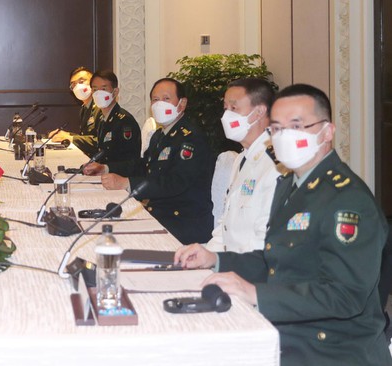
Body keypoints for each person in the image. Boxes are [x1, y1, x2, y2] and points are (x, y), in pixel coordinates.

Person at [175, 84, 391, 366]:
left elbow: (345, 295)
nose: (285, 135)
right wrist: (215, 259)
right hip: (286, 330)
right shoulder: (290, 185)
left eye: (297, 126)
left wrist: (255, 293)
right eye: (277, 128)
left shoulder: (347, 200)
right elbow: (275, 261)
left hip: (331, 349)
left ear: (327, 131)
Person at [101, 77, 214, 244]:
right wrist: (106, 168)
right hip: (161, 213)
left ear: (182, 104)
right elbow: (143, 165)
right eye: (155, 99)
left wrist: (127, 183)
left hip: (183, 222)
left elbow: (175, 183)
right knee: (107, 228)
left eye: (166, 99)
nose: (160, 104)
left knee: (120, 239)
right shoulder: (160, 135)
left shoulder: (190, 138)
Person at [205, 77, 282, 253]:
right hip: (230, 260)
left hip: (251, 264)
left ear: (259, 112)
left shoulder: (276, 164)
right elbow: (226, 225)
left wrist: (220, 262)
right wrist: (208, 255)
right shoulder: (241, 159)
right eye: (225, 108)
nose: (226, 116)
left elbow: (265, 239)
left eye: (234, 108)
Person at [81, 69, 141, 177]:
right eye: (95, 89)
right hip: (105, 175)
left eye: (104, 89)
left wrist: (104, 168)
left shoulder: (125, 121)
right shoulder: (102, 118)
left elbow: (131, 163)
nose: (98, 93)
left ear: (115, 92)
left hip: (119, 179)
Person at [49, 67, 100, 157]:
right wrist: (66, 134)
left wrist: (70, 138)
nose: (78, 87)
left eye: (81, 81)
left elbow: (100, 141)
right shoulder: (84, 107)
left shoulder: (101, 107)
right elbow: (85, 136)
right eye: (73, 84)